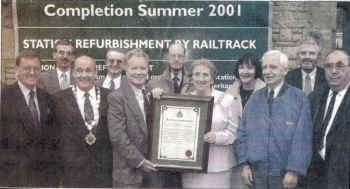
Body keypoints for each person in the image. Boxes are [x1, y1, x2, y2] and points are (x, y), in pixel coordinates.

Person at [235, 50, 312, 189]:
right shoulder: (255, 98)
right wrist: (245, 164)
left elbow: (303, 138)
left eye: (273, 67)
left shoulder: (299, 98)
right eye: (265, 67)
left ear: (285, 70)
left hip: (284, 176)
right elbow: (242, 133)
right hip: (257, 175)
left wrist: (294, 170)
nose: (267, 71)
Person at [176, 58, 240, 188]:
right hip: (190, 166)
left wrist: (217, 137)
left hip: (218, 168)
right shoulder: (184, 101)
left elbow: (234, 133)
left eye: (205, 75)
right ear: (191, 78)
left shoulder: (227, 100)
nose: (201, 78)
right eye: (197, 74)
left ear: (212, 79)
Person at [0, 50, 59, 187]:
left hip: (45, 179)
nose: (32, 72)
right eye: (27, 68)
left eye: (36, 68)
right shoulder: (4, 97)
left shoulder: (47, 98)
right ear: (17, 70)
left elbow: (53, 139)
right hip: (14, 177)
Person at [108, 49, 164, 188]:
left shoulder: (151, 95)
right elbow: (117, 137)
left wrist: (161, 100)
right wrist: (140, 162)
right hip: (128, 176)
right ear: (125, 69)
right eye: (134, 68)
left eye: (142, 68)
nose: (139, 72)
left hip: (153, 174)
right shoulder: (117, 97)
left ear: (147, 70)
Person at [54, 55, 113, 187]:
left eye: (88, 70)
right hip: (72, 174)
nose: (84, 75)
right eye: (79, 70)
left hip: (104, 173)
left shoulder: (110, 96)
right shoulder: (59, 99)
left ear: (96, 73)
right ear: (73, 73)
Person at [307, 50, 350, 189]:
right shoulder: (315, 97)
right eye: (328, 66)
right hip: (315, 177)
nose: (333, 71)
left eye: (340, 66)